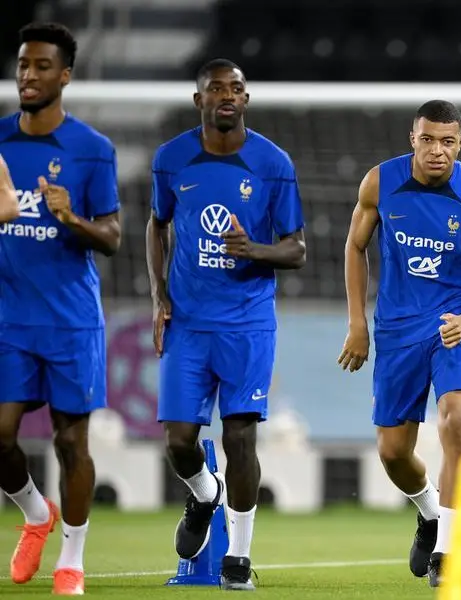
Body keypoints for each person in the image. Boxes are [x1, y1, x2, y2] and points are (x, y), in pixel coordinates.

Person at [338, 99, 461, 588]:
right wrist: (357, 322)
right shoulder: (380, 183)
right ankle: (430, 512)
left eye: (447, 141)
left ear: (460, 144)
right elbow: (355, 247)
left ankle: (448, 551)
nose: (437, 150)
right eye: (427, 139)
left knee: (457, 420)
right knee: (394, 452)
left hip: (454, 323)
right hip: (396, 330)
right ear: (412, 139)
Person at [146, 58, 306, 590]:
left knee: (240, 438)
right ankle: (203, 493)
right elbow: (157, 224)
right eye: (216, 89)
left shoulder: (273, 163)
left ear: (246, 99)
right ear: (200, 101)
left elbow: (297, 248)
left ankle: (238, 557)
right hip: (188, 323)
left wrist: (252, 249)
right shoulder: (171, 160)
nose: (227, 96)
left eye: (236, 88)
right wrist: (158, 294)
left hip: (247, 322)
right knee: (179, 442)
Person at [0, 22, 121, 596]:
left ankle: (71, 558)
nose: (28, 75)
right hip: (9, 317)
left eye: (42, 66)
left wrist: (71, 218)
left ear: (65, 76)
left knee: (71, 443)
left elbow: (114, 238)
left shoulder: (92, 151)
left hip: (71, 320)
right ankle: (34, 514)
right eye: (23, 64)